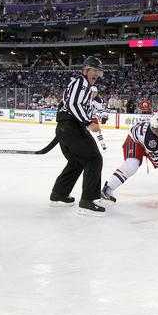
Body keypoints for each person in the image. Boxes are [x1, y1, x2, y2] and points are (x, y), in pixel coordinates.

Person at [50, 56, 105, 215]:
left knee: (76, 162)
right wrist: (88, 122)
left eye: (99, 72)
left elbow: (72, 105)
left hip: (65, 129)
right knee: (94, 159)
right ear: (85, 70)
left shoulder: (82, 86)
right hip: (72, 128)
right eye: (94, 70)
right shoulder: (81, 82)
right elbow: (74, 105)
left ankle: (58, 195)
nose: (96, 75)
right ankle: (88, 201)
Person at [101, 109, 158, 202]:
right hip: (135, 141)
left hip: (150, 143)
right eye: (155, 130)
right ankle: (108, 189)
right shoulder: (153, 141)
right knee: (132, 165)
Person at [90, 86, 107, 150]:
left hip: (93, 117)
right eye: (92, 92)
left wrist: (104, 117)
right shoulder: (84, 98)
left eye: (95, 92)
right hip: (84, 117)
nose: (94, 93)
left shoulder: (98, 101)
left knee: (97, 132)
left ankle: (102, 144)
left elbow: (101, 110)